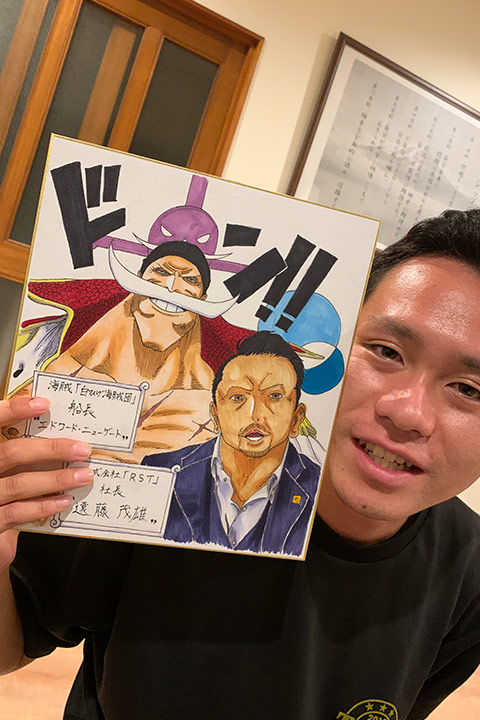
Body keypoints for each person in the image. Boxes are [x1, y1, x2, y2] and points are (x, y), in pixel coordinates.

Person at [1, 209, 480, 720]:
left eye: (469, 389)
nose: (408, 413)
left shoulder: (468, 575)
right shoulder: (152, 478)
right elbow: (14, 641)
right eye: (386, 351)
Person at [5, 240, 252, 463]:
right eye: (162, 272)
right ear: (139, 279)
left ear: (203, 298)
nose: (172, 287)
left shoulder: (209, 400)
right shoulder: (49, 351)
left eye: (190, 280)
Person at [146, 331, 320, 555]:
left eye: (274, 396)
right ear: (215, 414)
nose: (255, 415)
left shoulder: (317, 489)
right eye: (238, 397)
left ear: (296, 417)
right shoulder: (160, 471)